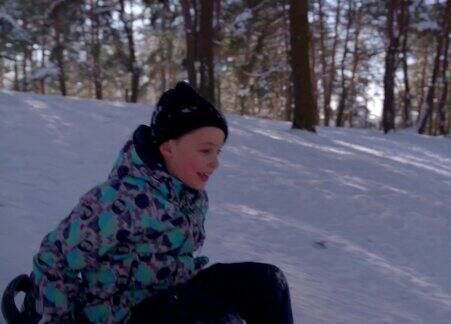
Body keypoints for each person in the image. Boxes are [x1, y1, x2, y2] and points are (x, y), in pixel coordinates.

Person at [20, 81, 293, 323]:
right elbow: (54, 257)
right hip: (125, 312)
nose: (215, 161)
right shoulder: (121, 199)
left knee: (268, 282)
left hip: (175, 292)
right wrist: (58, 317)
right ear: (168, 148)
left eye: (218, 151)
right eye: (205, 150)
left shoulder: (189, 195)